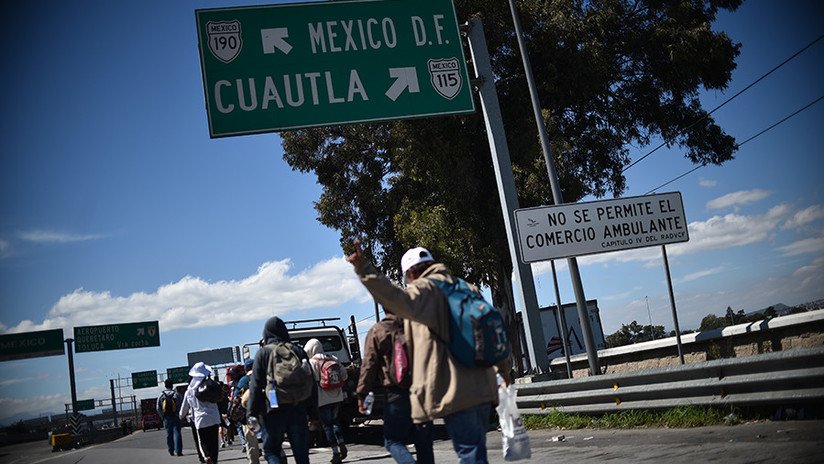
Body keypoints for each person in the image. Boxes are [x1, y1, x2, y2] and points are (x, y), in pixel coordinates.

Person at [347, 241, 512, 464]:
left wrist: (363, 268)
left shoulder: (426, 289)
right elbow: (492, 331)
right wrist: (503, 371)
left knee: (470, 454)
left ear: (411, 273)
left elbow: (395, 298)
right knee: (475, 450)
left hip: (456, 389)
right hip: (483, 384)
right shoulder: (466, 287)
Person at [357, 313, 434, 464]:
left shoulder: (378, 331)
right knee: (424, 442)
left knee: (393, 441)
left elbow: (369, 366)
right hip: (422, 391)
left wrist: (362, 393)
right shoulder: (417, 327)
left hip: (395, 394)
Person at [247, 316, 312, 464]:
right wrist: (313, 412)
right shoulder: (297, 351)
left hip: (273, 411)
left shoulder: (263, 353)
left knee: (271, 451)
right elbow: (310, 383)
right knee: (302, 455)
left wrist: (251, 414)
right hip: (298, 408)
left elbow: (255, 387)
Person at [304, 338, 348, 464]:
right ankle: (342, 443)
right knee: (335, 422)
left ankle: (335, 453)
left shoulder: (311, 362)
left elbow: (308, 381)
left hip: (322, 398)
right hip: (337, 396)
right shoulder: (333, 358)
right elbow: (344, 375)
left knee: (327, 425)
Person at [180, 362, 222, 464]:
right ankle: (213, 459)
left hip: (200, 420)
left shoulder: (190, 390)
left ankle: (207, 457)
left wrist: (181, 416)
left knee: (203, 442)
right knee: (214, 443)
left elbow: (184, 409)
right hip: (214, 418)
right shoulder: (211, 386)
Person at [234, 359, 262, 464]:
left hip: (248, 414)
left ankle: (254, 462)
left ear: (246, 369)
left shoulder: (243, 380)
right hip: (264, 412)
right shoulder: (262, 376)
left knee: (251, 441)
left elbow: (236, 397)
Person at [157, 378, 184, 456]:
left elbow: (158, 408)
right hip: (176, 416)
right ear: (172, 385)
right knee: (177, 432)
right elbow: (182, 405)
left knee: (169, 434)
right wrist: (180, 414)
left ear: (165, 385)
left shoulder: (161, 395)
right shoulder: (176, 394)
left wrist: (162, 416)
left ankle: (171, 451)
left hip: (167, 417)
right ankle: (179, 451)